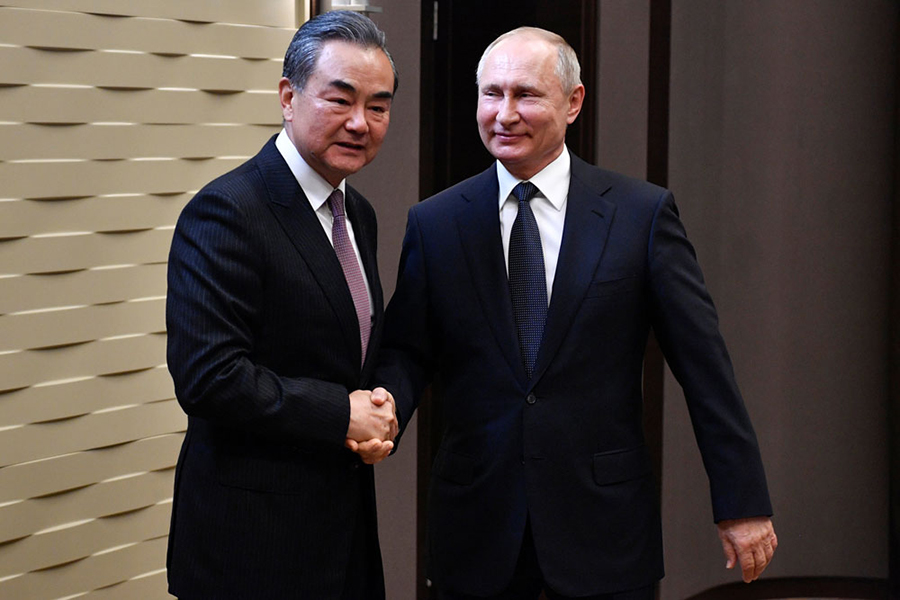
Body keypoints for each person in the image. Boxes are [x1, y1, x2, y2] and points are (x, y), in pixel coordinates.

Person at [375, 27, 777, 600]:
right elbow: (408, 350)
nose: (504, 114)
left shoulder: (640, 215)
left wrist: (742, 501)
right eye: (491, 94)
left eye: (526, 94)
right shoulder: (436, 223)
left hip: (605, 531)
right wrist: (383, 409)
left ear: (573, 102)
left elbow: (704, 365)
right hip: (477, 531)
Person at [165, 11, 399, 599]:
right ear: (289, 98)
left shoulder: (357, 213)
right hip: (250, 548)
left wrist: (378, 409)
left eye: (377, 106)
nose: (359, 123)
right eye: (339, 100)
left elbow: (345, 354)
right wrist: (341, 414)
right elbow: (209, 378)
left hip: (341, 537)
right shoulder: (228, 211)